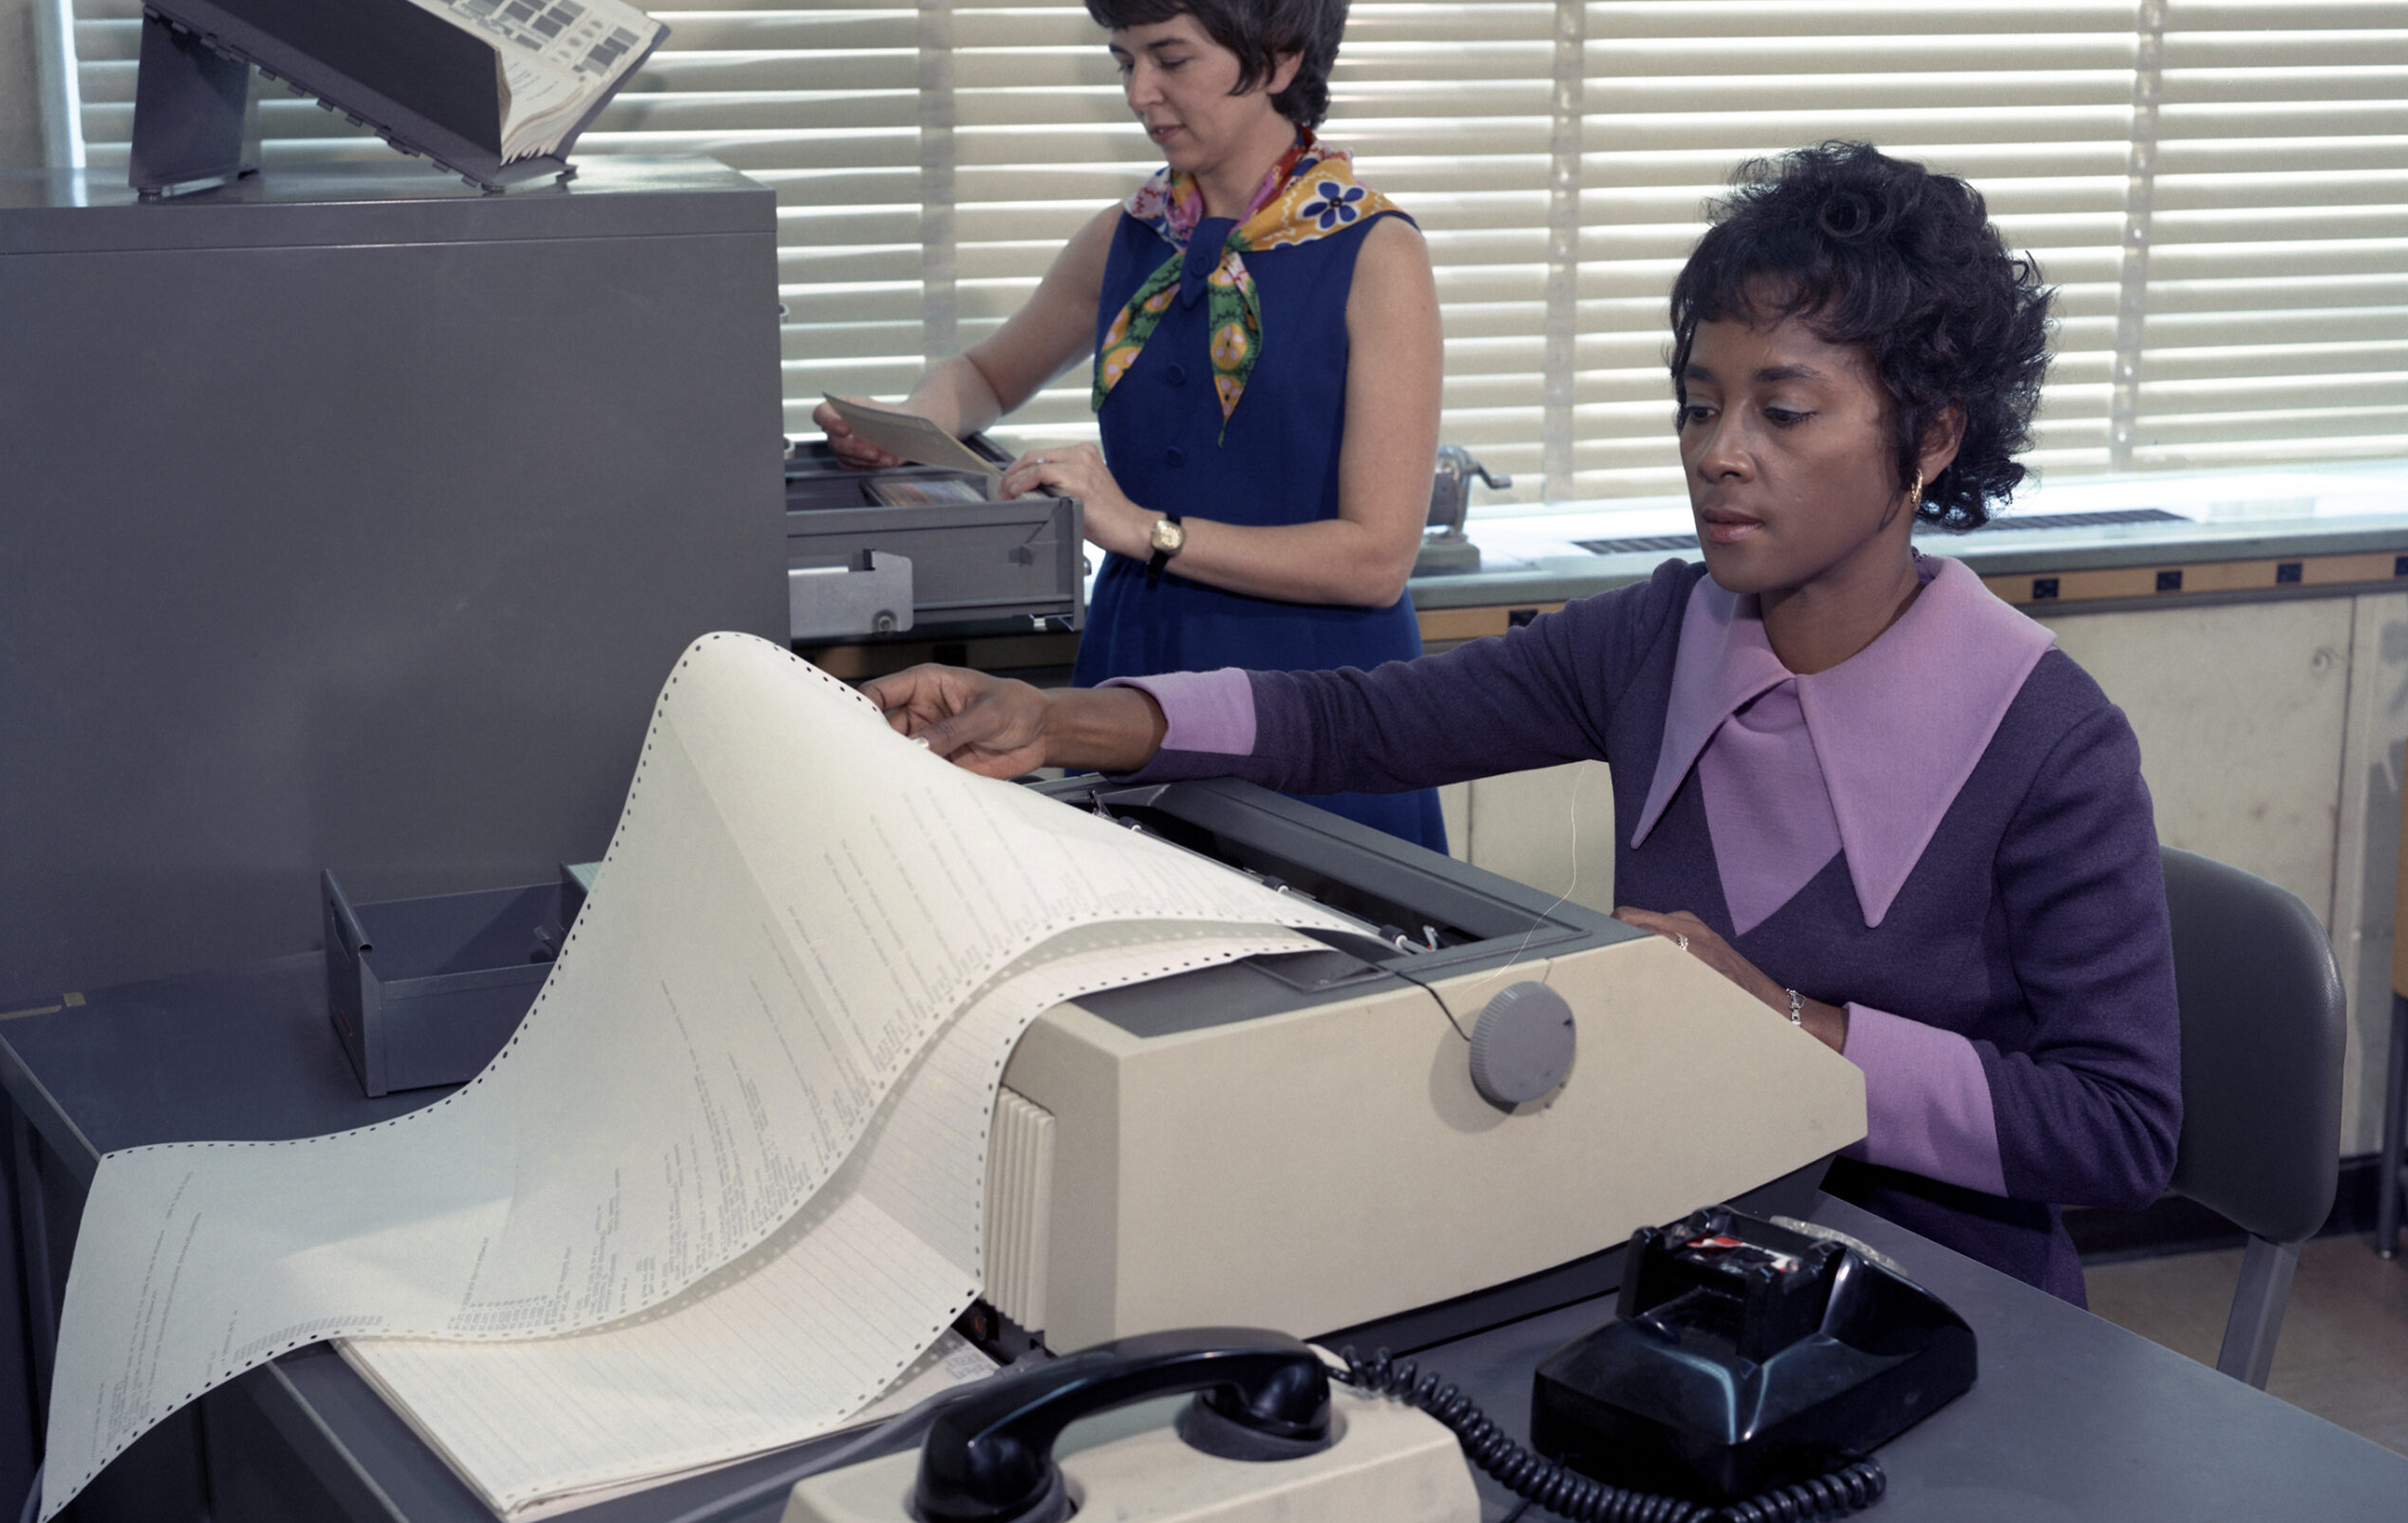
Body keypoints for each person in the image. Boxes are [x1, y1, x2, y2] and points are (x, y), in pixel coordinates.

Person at [859, 141, 2184, 1305]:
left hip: (1945, 1307)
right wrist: (1057, 716)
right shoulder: (1661, 633)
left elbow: (2122, 1130)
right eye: (1698, 402)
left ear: (1935, 437)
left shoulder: (2049, 739)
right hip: (1687, 1251)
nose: (1720, 451)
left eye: (1782, 411)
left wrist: (1783, 1018)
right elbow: (1358, 724)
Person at [815, 0, 1447, 849]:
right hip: (1137, 667)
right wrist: (904, 428)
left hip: (1322, 698)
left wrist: (1142, 527)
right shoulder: (1128, 235)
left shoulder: (1375, 254)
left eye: (1169, 57)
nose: (1139, 92)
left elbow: (1375, 559)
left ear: (1278, 55)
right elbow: (985, 375)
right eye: (1122, 61)